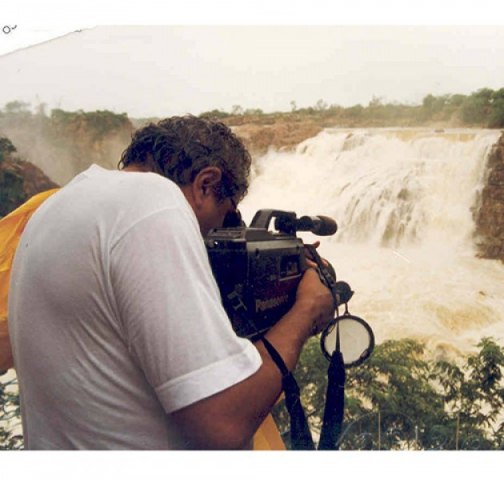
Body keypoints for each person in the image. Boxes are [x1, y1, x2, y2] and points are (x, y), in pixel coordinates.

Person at [8, 116, 335, 449]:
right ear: (206, 184)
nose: (214, 236)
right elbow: (223, 424)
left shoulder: (59, 204)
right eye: (225, 218)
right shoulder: (154, 201)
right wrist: (306, 310)